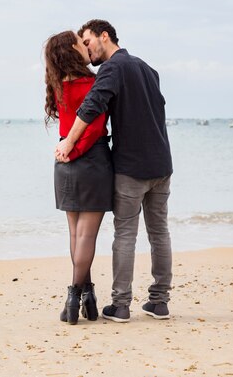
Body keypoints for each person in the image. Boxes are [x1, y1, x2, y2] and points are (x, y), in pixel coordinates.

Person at [55, 19, 174, 323]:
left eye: (88, 41)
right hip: (161, 163)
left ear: (103, 36)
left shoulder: (112, 68)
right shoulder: (148, 69)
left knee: (125, 234)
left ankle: (120, 305)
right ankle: (159, 301)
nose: (87, 49)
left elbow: (92, 106)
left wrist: (68, 142)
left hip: (131, 166)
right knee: (159, 232)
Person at [44, 30, 114, 325]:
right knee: (86, 235)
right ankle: (75, 293)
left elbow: (70, 128)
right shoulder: (94, 83)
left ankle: (87, 294)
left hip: (65, 163)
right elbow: (94, 128)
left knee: (75, 234)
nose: (86, 46)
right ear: (73, 50)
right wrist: (74, 151)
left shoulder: (57, 85)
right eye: (80, 42)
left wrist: (67, 152)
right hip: (90, 159)